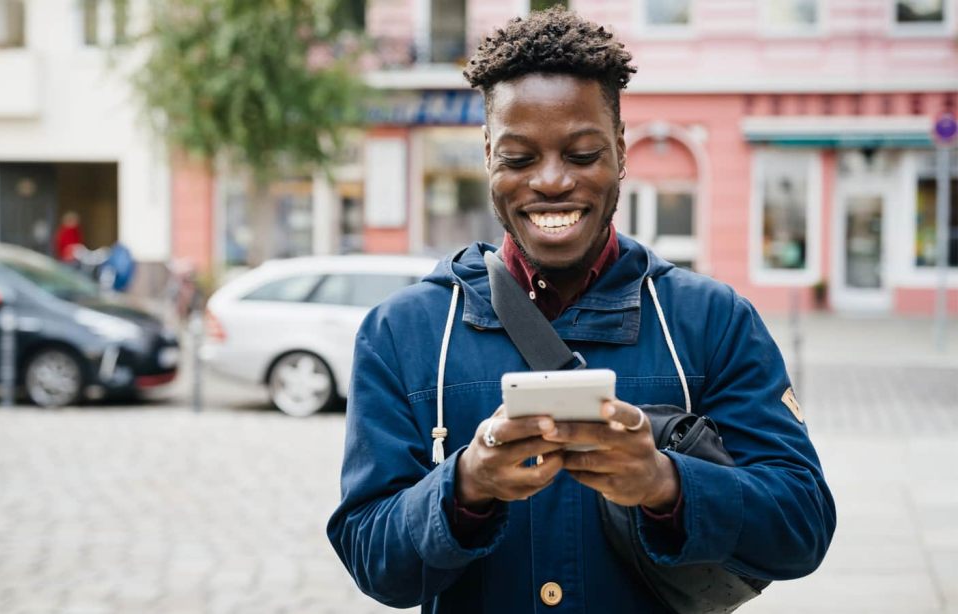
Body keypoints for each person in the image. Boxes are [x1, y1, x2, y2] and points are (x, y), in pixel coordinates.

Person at [327, 8, 835, 613]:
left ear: (621, 151)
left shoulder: (714, 322)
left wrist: (665, 484)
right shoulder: (400, 333)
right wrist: (466, 486)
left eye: (582, 153)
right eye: (519, 158)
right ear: (488, 155)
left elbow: (801, 526)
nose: (550, 182)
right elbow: (371, 560)